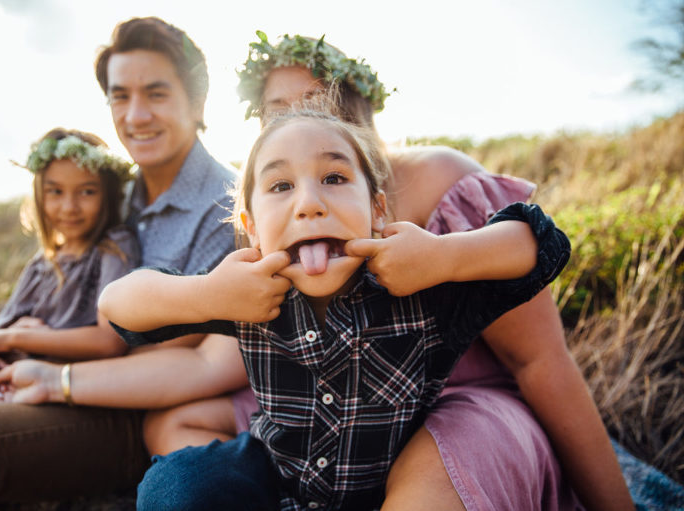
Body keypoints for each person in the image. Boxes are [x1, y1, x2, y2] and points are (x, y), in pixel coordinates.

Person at [139, 33, 634, 511]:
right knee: (174, 429)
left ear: (360, 106)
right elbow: (201, 340)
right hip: (338, 409)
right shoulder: (290, 217)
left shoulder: (443, 179)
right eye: (278, 112)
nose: (301, 121)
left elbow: (541, 358)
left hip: (457, 405)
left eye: (318, 100)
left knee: (432, 482)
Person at [98, 107, 573, 510]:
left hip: (389, 487)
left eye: (334, 178)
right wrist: (207, 294)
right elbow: (117, 307)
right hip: (276, 476)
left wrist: (443, 257)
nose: (309, 203)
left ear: (379, 210)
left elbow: (544, 243)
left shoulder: (426, 292)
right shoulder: (249, 294)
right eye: (280, 186)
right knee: (177, 487)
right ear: (252, 227)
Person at [0, 17, 238, 508]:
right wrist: (2, 342)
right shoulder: (113, 192)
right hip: (52, 368)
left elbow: (179, 353)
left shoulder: (227, 206)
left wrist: (42, 365)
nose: (136, 115)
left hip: (126, 409)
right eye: (119, 96)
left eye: (156, 93)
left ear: (196, 101)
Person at [0, 127, 138, 413]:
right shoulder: (42, 263)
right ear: (39, 195)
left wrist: (15, 337)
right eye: (55, 191)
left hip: (47, 389)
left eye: (87, 191)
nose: (69, 207)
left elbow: (109, 341)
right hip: (1, 378)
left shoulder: (114, 249)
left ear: (108, 194)